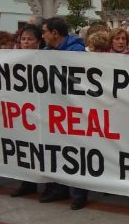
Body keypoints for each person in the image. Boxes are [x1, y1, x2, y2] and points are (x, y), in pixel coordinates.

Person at [41, 17, 88, 210]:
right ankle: (57, 188)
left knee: (75, 150)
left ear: (54, 33)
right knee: (54, 149)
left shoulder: (76, 51)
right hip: (53, 110)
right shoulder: (44, 52)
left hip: (73, 109)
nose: (42, 36)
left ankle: (79, 193)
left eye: (44, 31)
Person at [10, 25, 46, 198]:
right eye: (23, 39)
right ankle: (28, 183)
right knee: (27, 148)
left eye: (30, 39)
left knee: (43, 148)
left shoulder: (46, 58)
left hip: (43, 111)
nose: (25, 42)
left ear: (38, 41)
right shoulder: (12, 58)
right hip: (23, 112)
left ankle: (47, 184)